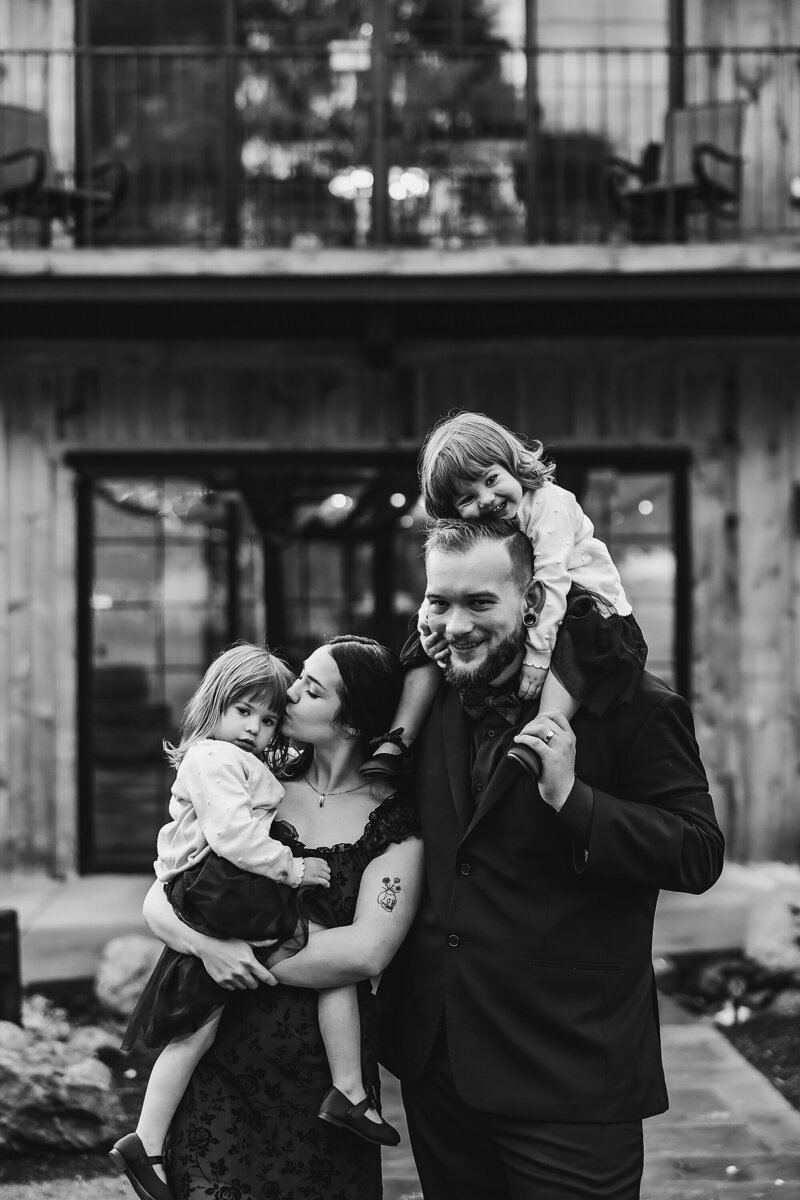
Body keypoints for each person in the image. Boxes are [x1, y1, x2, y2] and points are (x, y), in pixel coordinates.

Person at [378, 518, 724, 1200]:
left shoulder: (636, 708)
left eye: (480, 603)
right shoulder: (422, 699)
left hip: (569, 1072)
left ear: (534, 602)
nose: (454, 625)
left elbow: (697, 851)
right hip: (438, 1067)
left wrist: (573, 798)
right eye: (439, 602)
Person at [111, 642, 401, 1200]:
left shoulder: (392, 814)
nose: (287, 700)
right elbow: (163, 897)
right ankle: (146, 1141)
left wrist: (247, 954)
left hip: (308, 1066)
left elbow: (366, 953)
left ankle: (346, 1091)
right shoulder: (243, 774)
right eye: (250, 710)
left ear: (353, 718)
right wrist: (211, 948)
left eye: (308, 691)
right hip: (227, 1065)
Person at [362, 410, 647, 781]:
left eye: (491, 479)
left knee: (578, 636)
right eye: (467, 497)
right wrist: (430, 621)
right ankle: (398, 740)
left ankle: (542, 734)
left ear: (512, 464)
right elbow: (449, 581)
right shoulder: (489, 525)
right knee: (423, 630)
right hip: (542, 599)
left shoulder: (549, 505)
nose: (486, 498)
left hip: (591, 608)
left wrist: (539, 657)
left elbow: (553, 580)